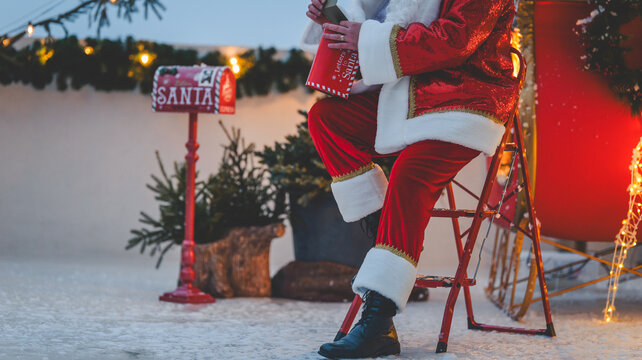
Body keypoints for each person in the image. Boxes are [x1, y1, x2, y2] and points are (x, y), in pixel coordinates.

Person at [301, 0, 521, 358]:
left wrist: (368, 38)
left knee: (410, 173)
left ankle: (378, 318)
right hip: (412, 94)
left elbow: (454, 39)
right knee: (327, 119)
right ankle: (381, 242)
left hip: (467, 100)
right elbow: (386, 15)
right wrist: (339, 16)